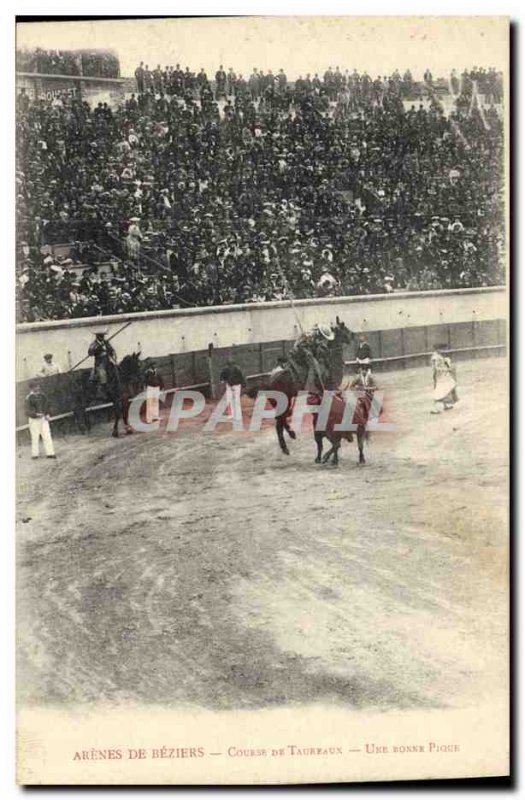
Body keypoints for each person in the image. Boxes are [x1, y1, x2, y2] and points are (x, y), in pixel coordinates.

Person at [24, 379, 56, 459]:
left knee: (47, 435)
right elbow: (27, 411)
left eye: (38, 386)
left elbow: (47, 405)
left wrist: (48, 414)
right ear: (31, 388)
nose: (38, 388)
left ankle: (50, 453)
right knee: (35, 437)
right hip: (34, 420)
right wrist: (35, 414)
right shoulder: (28, 398)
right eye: (36, 387)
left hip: (43, 419)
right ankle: (35, 454)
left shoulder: (42, 396)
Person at [430, 344, 457, 413]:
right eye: (442, 349)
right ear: (437, 349)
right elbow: (435, 368)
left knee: (446, 389)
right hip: (439, 376)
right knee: (440, 391)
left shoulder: (439, 356)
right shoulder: (435, 357)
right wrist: (446, 369)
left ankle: (445, 406)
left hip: (443, 376)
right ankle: (434, 409)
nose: (443, 351)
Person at [219, 358, 246, 422]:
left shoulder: (225, 369)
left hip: (230, 385)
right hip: (236, 385)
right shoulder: (237, 368)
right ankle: (237, 417)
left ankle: (231, 416)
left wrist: (223, 381)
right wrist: (243, 384)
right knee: (236, 401)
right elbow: (242, 377)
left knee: (229, 401)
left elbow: (221, 378)